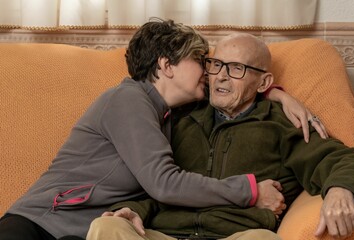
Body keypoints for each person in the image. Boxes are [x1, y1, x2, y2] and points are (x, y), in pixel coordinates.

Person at [0, 19, 326, 240]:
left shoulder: (170, 113)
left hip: (78, 232)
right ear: (166, 66)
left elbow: (238, 91)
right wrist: (249, 191)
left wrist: (276, 93)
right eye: (201, 60)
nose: (210, 72)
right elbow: (164, 183)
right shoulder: (127, 100)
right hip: (38, 226)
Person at [87, 33, 354, 240]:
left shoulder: (280, 124)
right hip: (165, 233)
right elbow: (153, 180)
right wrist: (131, 208)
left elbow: (344, 160)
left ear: (264, 82)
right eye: (216, 65)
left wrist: (340, 190)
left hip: (236, 235)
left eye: (236, 68)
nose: (221, 76)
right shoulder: (181, 117)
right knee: (106, 227)